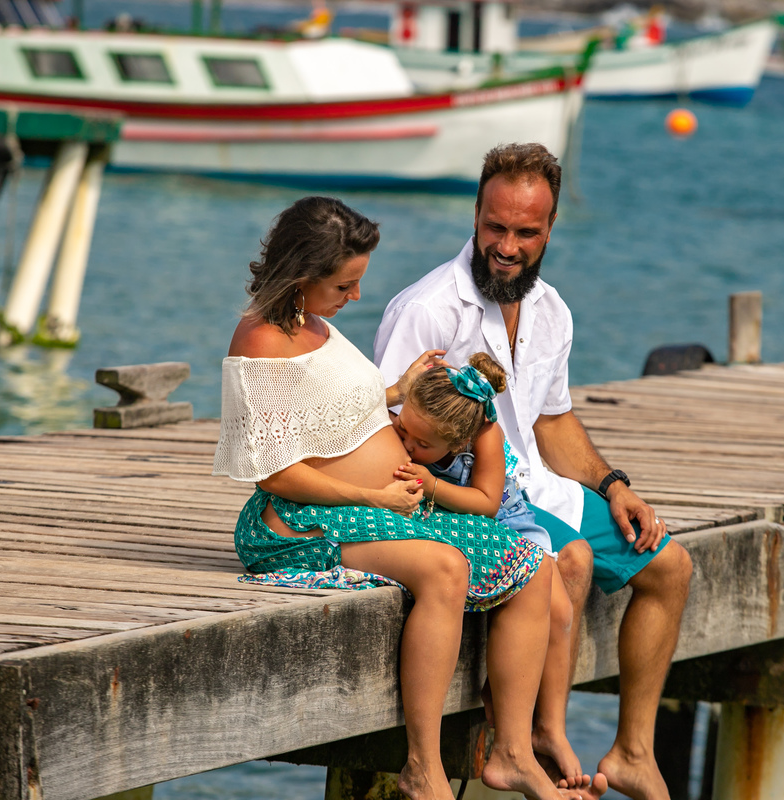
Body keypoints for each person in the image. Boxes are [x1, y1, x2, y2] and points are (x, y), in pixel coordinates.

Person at [212, 196, 603, 800]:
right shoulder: (261, 341)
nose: (356, 297)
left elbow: (333, 412)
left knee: (534, 565)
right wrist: (371, 493)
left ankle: (514, 752)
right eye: (345, 284)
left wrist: (398, 387)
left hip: (366, 507)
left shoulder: (312, 324)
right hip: (297, 522)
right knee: (445, 568)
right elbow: (276, 475)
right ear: (301, 276)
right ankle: (423, 767)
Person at [375, 145, 694, 800]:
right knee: (570, 560)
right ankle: (531, 741)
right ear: (476, 215)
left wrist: (613, 485)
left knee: (672, 567)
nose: (507, 245)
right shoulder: (429, 309)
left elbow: (552, 423)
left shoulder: (552, 310)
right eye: (495, 227)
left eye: (525, 232)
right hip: (470, 495)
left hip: (541, 486)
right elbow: (389, 431)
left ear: (550, 229)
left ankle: (633, 751)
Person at [390, 353, 585, 787]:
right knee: (531, 601)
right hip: (457, 518)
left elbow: (487, 502)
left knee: (557, 610)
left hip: (505, 518)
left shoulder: (485, 433)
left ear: (457, 443)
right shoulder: (412, 421)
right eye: (404, 430)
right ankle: (512, 734)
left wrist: (433, 483)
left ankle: (546, 730)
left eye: (421, 445)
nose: (407, 446)